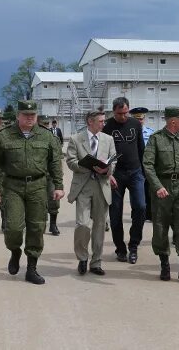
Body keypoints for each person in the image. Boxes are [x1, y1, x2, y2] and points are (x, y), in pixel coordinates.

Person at [0, 100, 64, 285]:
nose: (30, 118)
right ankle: (15, 251)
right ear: (17, 116)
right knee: (13, 227)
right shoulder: (4, 136)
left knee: (37, 227)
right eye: (26, 115)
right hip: (12, 187)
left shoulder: (46, 136)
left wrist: (59, 185)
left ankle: (31, 268)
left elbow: (55, 163)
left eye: (33, 115)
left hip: (38, 186)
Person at [143, 106, 179, 283]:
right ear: (173, 121)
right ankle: (165, 265)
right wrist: (157, 186)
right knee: (160, 228)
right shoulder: (156, 139)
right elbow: (148, 165)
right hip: (162, 189)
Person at [66, 108, 116, 276]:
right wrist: (86, 165)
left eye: (104, 121)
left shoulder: (108, 139)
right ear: (90, 122)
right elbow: (70, 160)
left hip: (102, 186)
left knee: (100, 226)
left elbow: (114, 160)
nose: (104, 124)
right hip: (83, 186)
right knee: (82, 224)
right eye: (101, 121)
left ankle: (96, 262)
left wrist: (107, 169)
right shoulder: (76, 139)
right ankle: (82, 258)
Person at [103, 97, 146, 264]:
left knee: (141, 207)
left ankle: (134, 245)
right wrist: (108, 174)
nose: (123, 116)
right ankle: (120, 248)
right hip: (116, 174)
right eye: (119, 113)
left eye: (125, 112)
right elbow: (103, 153)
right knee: (115, 214)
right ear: (113, 111)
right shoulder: (107, 127)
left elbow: (141, 148)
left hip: (135, 173)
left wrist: (144, 172)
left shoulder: (135, 124)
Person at [130, 106, 155, 222]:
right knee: (135, 190)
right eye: (136, 119)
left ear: (144, 119)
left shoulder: (151, 133)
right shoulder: (129, 133)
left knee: (149, 189)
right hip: (135, 165)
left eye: (141, 119)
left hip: (148, 164)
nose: (139, 121)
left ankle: (149, 214)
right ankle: (136, 213)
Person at [39, 117, 62, 236]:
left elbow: (58, 159)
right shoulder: (33, 139)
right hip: (37, 176)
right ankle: (40, 224)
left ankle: (53, 224)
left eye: (46, 125)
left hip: (51, 175)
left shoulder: (55, 139)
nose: (46, 127)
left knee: (54, 200)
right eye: (43, 125)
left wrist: (59, 179)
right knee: (38, 202)